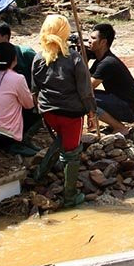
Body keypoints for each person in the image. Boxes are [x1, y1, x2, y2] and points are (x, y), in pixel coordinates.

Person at [31, 14, 97, 207]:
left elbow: (34, 89)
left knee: (61, 140)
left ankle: (39, 174)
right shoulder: (74, 57)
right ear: (65, 33)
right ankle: (70, 196)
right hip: (71, 114)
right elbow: (85, 91)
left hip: (48, 112)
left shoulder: (38, 58)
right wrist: (91, 113)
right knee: (72, 153)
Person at [0, 42, 37, 156]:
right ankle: (21, 141)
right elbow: (29, 105)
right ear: (14, 58)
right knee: (36, 110)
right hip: (4, 134)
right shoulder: (18, 78)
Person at [86, 23, 134, 136]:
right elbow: (86, 79)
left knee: (86, 98)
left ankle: (120, 128)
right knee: (87, 96)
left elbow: (87, 87)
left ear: (103, 42)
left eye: (93, 38)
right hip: (120, 101)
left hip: (130, 109)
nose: (89, 41)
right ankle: (96, 125)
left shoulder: (107, 63)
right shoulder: (101, 60)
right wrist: (85, 58)